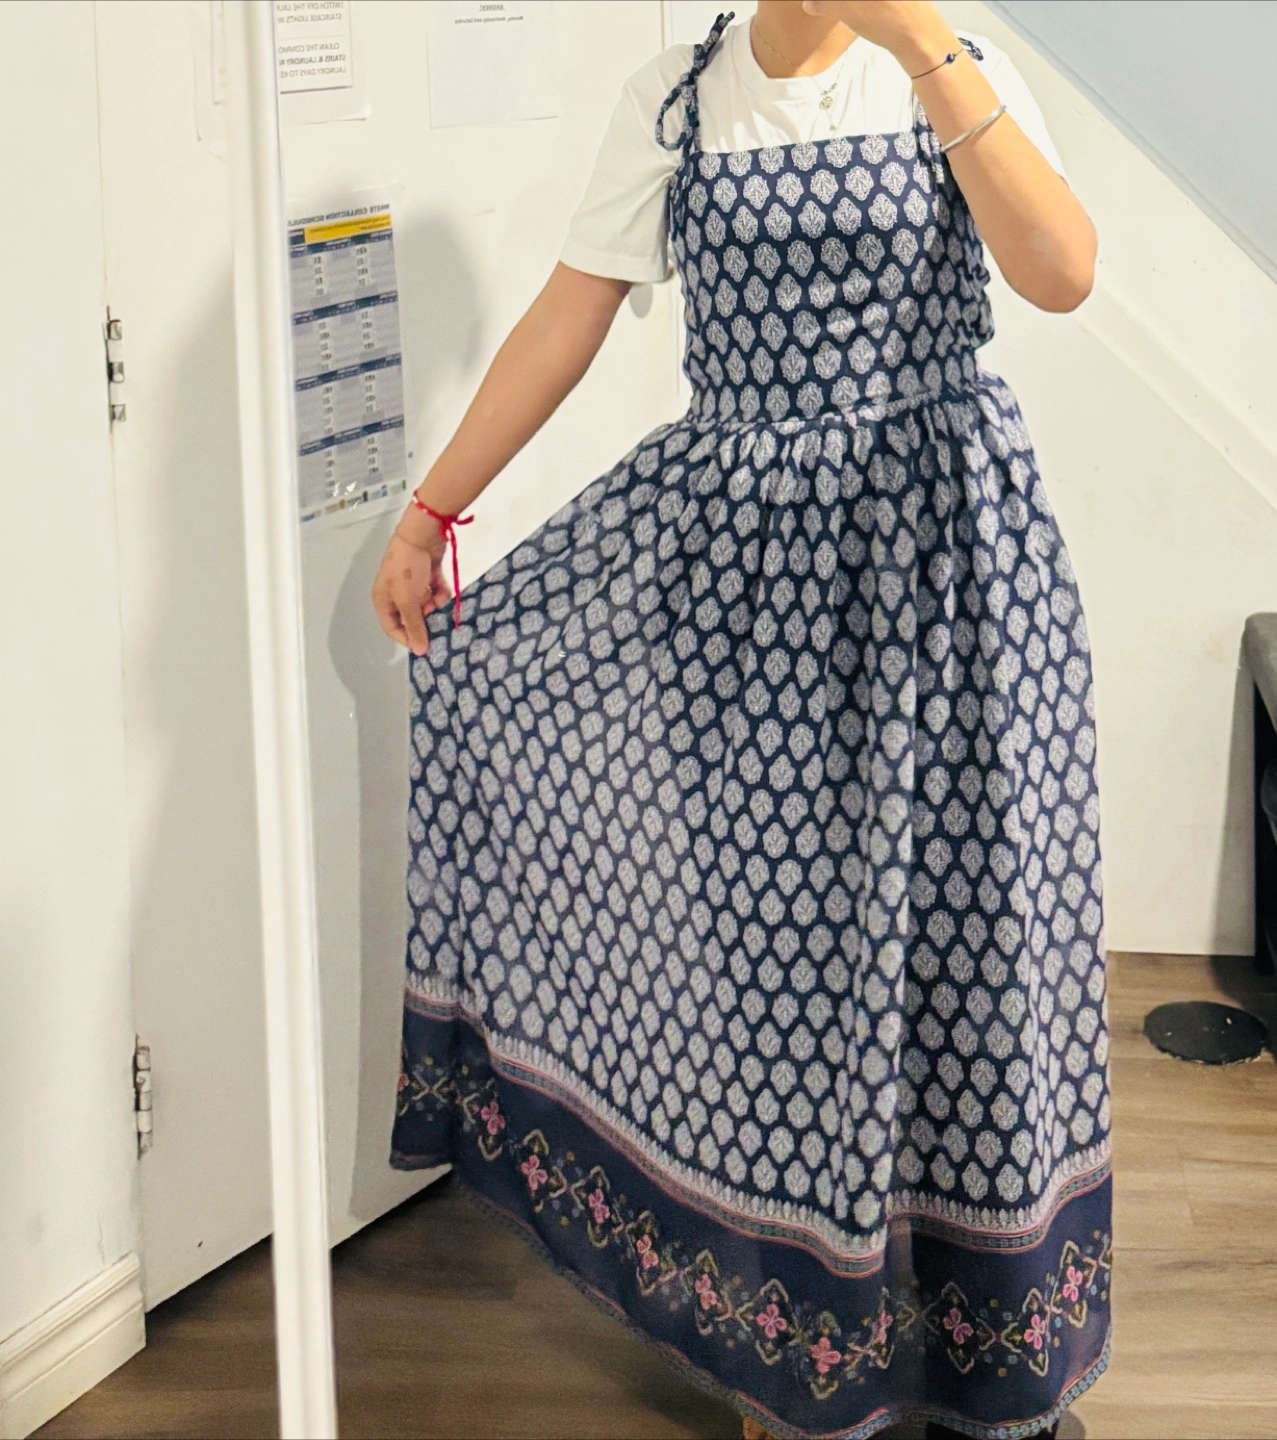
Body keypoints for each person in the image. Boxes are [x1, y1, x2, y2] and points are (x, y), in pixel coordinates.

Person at [376, 3, 1112, 1437]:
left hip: (949, 573)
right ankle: (806, 1354)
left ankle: (988, 1359)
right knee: (777, 975)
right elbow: (569, 315)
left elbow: (1063, 272)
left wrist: (923, 45)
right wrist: (430, 513)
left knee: (971, 956)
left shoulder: (952, 71)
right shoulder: (675, 99)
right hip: (745, 591)